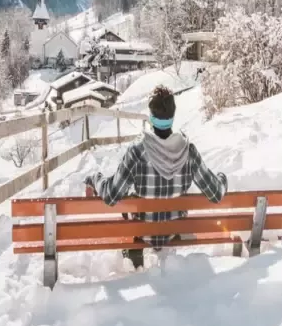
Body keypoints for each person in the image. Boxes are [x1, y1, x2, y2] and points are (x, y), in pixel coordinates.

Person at [84, 85, 228, 269]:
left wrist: (95, 179)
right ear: (172, 117)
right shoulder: (188, 151)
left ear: (151, 117)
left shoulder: (138, 151)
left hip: (143, 232)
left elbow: (111, 195)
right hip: (175, 231)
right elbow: (216, 193)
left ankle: (134, 259)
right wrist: (223, 179)